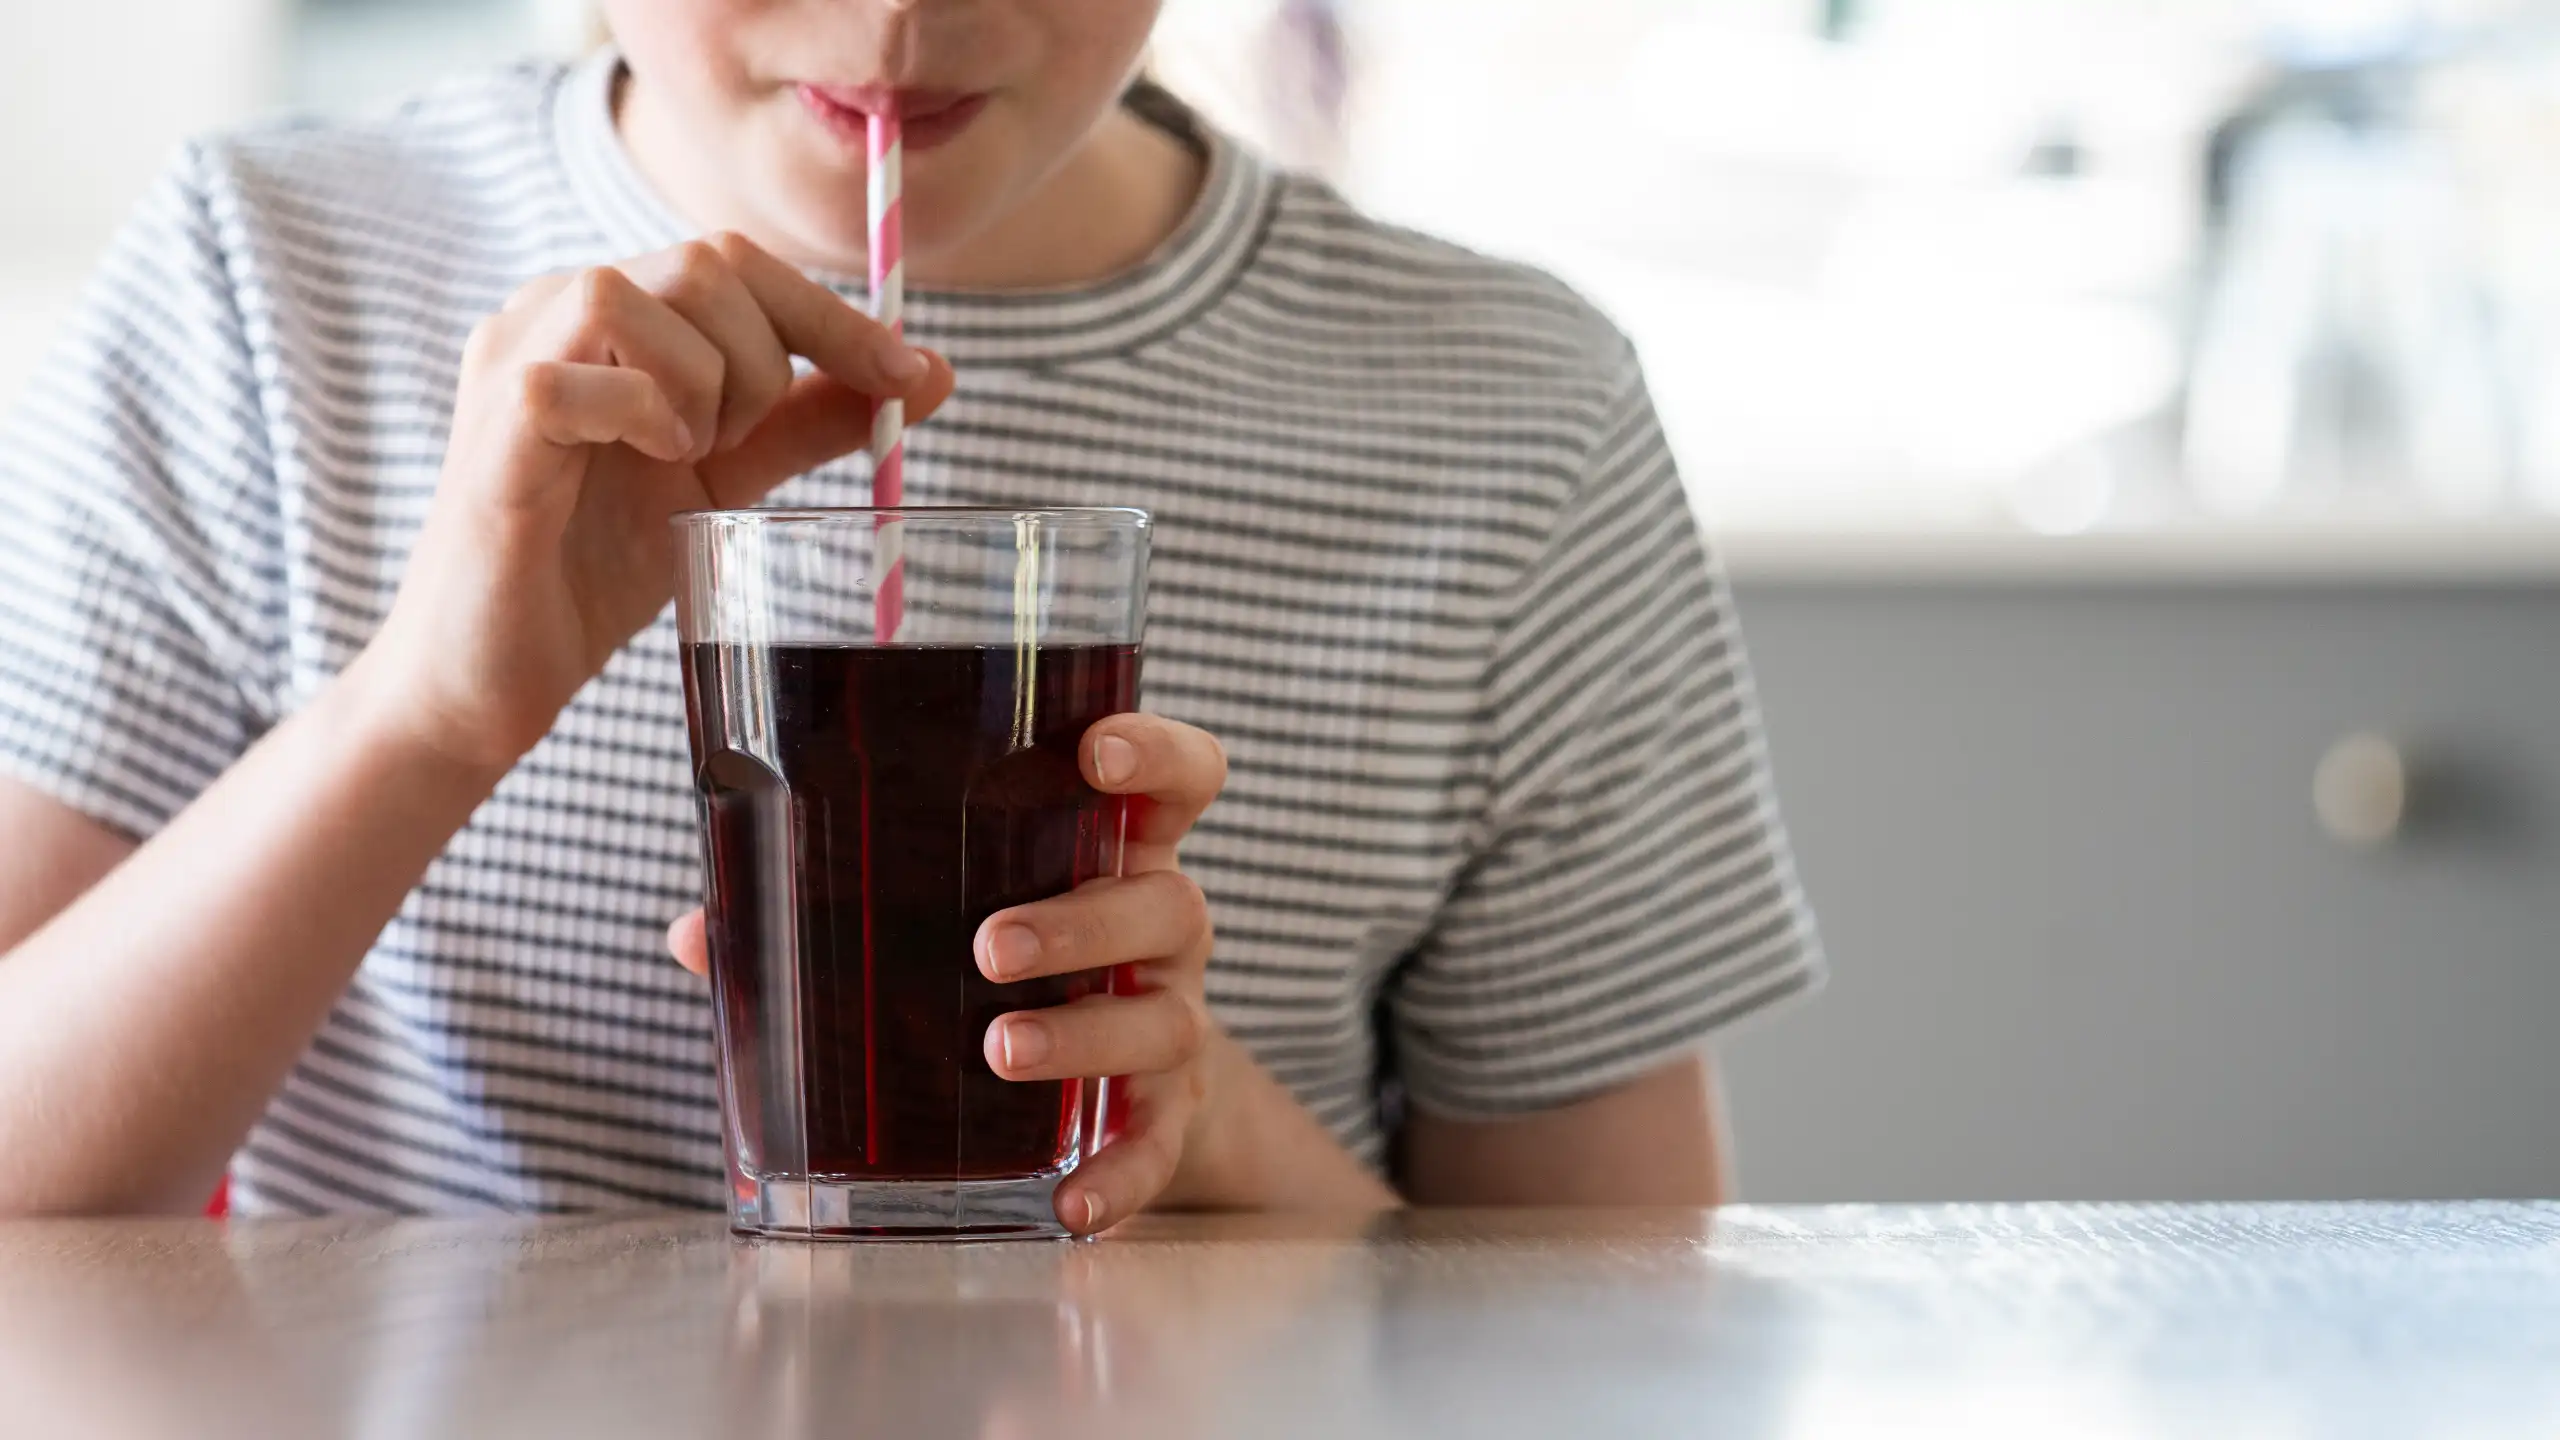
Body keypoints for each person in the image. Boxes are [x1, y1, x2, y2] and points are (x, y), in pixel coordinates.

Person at [0, 0, 1821, 1227]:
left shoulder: (1511, 416)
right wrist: (420, 715)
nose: (892, 13)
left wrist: (1213, 1148)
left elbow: (1617, 1324)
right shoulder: (267, 279)